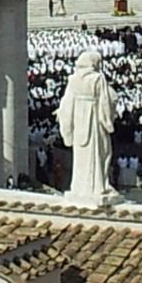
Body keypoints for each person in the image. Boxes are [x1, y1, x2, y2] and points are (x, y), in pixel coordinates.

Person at [56, 49, 118, 206]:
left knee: (81, 157)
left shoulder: (73, 80)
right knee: (101, 152)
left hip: (79, 121)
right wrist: (108, 122)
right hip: (95, 119)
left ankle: (80, 187)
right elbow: (104, 102)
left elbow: (66, 105)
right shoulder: (98, 78)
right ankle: (99, 186)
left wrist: (67, 129)